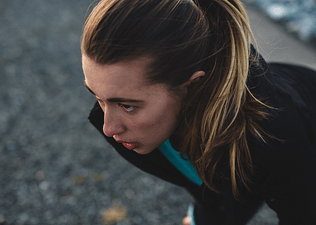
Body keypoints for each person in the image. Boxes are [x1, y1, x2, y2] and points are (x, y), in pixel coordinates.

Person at [81, 0, 316, 224]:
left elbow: (303, 215)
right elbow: (211, 182)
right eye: (97, 97)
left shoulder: (273, 138)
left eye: (127, 106)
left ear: (191, 86)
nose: (108, 128)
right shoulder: (158, 118)